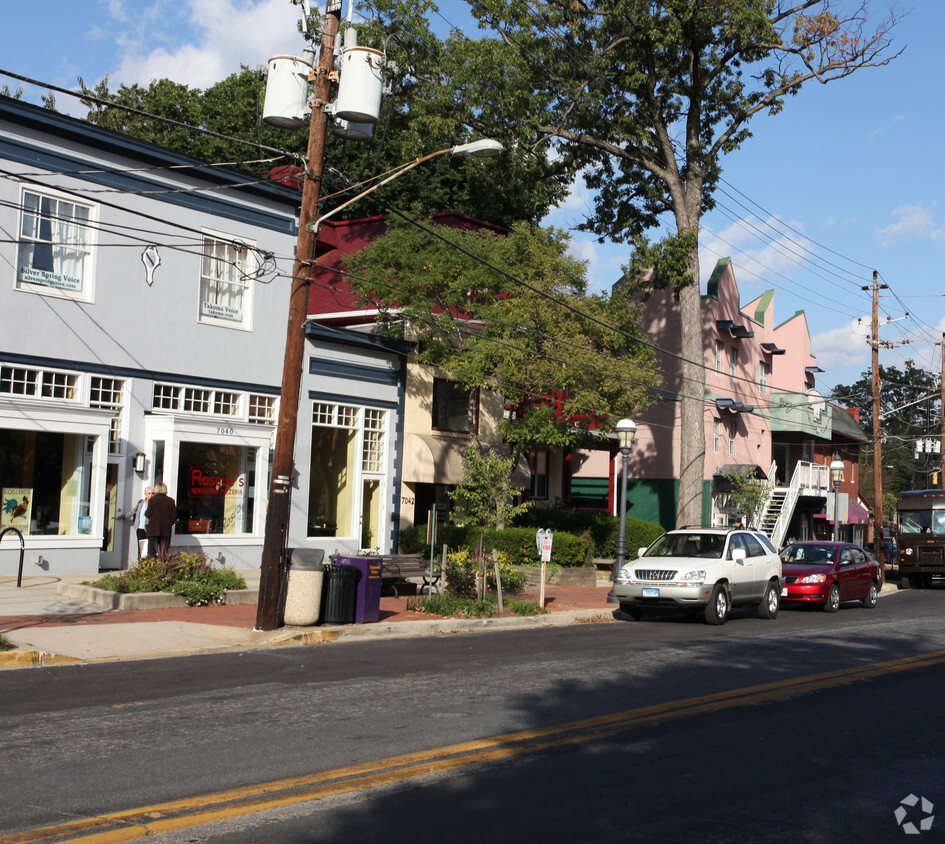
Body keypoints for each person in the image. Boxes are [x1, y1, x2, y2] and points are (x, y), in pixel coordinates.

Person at [145, 482, 177, 560]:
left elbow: (147, 514)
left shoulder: (153, 500)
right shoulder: (171, 501)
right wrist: (169, 523)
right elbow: (174, 517)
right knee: (164, 553)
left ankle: (152, 570)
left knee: (152, 554)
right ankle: (163, 569)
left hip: (153, 530)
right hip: (166, 531)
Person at [121, 486, 153, 561]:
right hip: (140, 528)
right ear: (145, 494)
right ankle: (141, 566)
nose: (151, 495)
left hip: (149, 529)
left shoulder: (154, 504)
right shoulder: (141, 502)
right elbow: (133, 511)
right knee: (141, 548)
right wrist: (124, 516)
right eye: (149, 493)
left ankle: (148, 566)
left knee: (149, 548)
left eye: (152, 493)